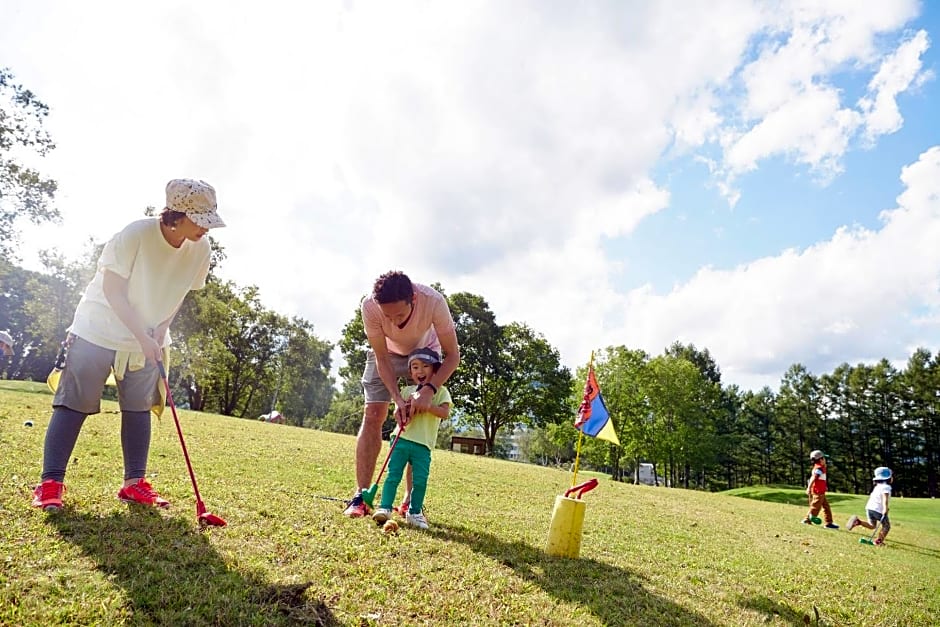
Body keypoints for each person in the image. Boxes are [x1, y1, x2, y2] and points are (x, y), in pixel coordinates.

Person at [31, 179, 225, 512]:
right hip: (98, 329)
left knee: (137, 409)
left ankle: (134, 484)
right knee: (74, 404)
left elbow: (179, 293)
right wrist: (141, 335)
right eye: (201, 219)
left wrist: (160, 330)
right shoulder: (136, 234)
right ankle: (50, 483)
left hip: (148, 334)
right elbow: (112, 290)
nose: (207, 228)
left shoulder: (201, 249)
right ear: (177, 214)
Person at [343, 271, 460, 518]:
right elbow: (382, 358)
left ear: (413, 299)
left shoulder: (434, 302)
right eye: (388, 316)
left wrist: (429, 390)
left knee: (415, 419)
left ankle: (409, 501)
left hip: (424, 355)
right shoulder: (370, 307)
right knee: (373, 412)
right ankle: (361, 496)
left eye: (400, 314)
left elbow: (453, 356)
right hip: (387, 355)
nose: (394, 322)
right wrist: (397, 398)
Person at [372, 347, 452, 529]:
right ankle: (385, 507)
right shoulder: (407, 390)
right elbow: (396, 414)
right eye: (415, 367)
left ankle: (414, 512)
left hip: (423, 444)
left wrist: (427, 405)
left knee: (420, 480)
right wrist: (405, 409)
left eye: (425, 366)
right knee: (393, 475)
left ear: (435, 370)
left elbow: (445, 412)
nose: (420, 371)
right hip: (401, 440)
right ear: (410, 372)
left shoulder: (441, 392)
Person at [846, 466, 893, 545]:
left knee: (872, 525)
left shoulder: (877, 487)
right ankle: (878, 541)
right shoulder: (886, 487)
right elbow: (885, 499)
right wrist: (885, 508)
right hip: (878, 510)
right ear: (887, 478)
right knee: (886, 526)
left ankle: (858, 522)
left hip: (869, 508)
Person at [802, 449, 838, 529]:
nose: (825, 460)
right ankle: (807, 520)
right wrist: (809, 487)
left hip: (821, 491)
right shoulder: (819, 468)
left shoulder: (820, 467)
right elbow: (813, 478)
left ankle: (829, 523)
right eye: (824, 458)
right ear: (821, 459)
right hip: (818, 492)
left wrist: (825, 486)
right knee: (815, 507)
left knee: (826, 507)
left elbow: (820, 479)